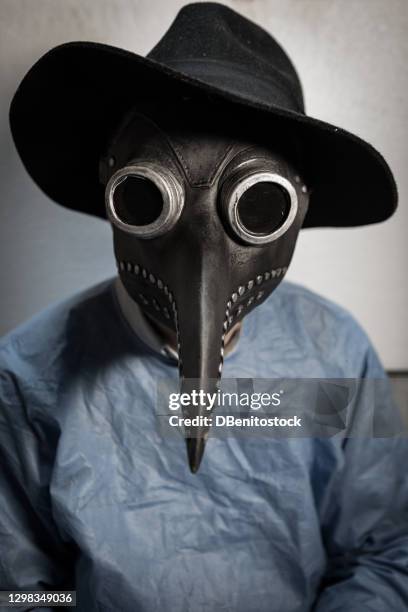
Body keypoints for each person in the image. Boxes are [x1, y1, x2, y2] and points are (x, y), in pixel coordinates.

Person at [1, 3, 407, 611]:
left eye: (256, 206)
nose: (200, 256)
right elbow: (22, 588)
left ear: (298, 208)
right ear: (109, 184)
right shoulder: (29, 371)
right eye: (148, 195)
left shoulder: (336, 352)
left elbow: (383, 549)